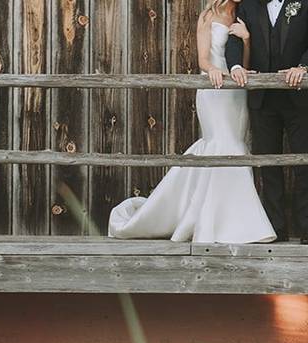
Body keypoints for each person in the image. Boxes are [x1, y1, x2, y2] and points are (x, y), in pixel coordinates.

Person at [108, 0, 276, 244]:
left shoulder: (243, 15)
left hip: (236, 94)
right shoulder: (208, 16)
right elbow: (202, 60)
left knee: (236, 147)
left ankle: (233, 221)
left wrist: (247, 39)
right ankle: (219, 223)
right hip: (213, 90)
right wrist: (212, 71)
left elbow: (244, 63)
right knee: (221, 144)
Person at [226, 0, 308, 244]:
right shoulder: (248, 6)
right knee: (268, 165)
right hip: (263, 99)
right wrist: (237, 65)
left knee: (304, 163)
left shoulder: (307, 4)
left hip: (298, 97)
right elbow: (234, 40)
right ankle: (275, 228)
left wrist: (303, 67)